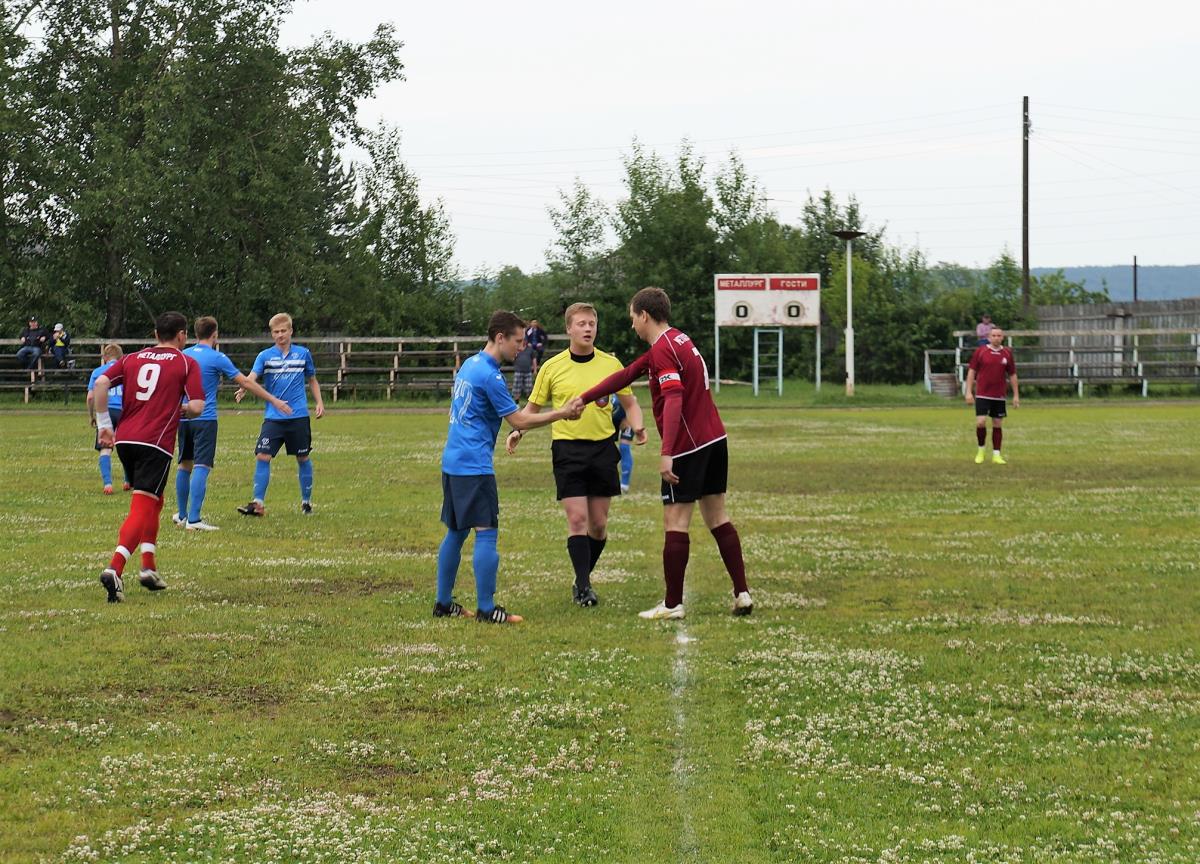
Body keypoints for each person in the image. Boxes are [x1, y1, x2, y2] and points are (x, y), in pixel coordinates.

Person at [578, 287, 752, 620]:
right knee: (718, 517)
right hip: (716, 439)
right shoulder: (678, 340)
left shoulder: (662, 350)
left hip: (689, 446)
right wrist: (584, 398)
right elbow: (627, 374)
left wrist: (667, 452)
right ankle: (742, 593)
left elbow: (674, 399)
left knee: (675, 521)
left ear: (644, 315)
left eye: (633, 318)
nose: (633, 326)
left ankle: (673, 604)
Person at [435, 310, 583, 624]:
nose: (522, 348)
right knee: (486, 533)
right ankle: (487, 610)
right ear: (500, 338)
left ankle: (443, 603)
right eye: (517, 341)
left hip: (453, 461)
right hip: (473, 466)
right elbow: (517, 420)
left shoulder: (470, 365)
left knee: (457, 532)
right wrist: (562, 413)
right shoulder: (489, 374)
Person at [505, 303, 647, 608]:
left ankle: (581, 577)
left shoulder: (611, 364)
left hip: (602, 449)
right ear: (569, 328)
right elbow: (532, 409)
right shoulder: (552, 367)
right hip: (568, 450)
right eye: (581, 323)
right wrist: (519, 431)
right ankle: (584, 587)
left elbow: (631, 403)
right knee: (578, 519)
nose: (587, 328)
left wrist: (638, 426)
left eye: (592, 323)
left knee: (598, 524)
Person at [93, 311, 205, 603]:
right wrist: (180, 410)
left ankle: (149, 567)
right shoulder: (186, 362)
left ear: (155, 335)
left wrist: (105, 426)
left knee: (155, 500)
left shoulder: (131, 358)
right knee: (142, 504)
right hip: (155, 443)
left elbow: (101, 385)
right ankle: (115, 568)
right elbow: (197, 406)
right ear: (182, 336)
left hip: (126, 440)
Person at [171, 316, 292, 531]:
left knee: (184, 464)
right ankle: (194, 519)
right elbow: (245, 382)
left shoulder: (183, 355)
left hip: (183, 416)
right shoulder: (217, 357)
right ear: (215, 334)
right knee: (201, 465)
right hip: (205, 418)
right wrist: (273, 400)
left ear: (195, 334)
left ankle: (181, 515)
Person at [234, 313, 324, 517]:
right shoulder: (265, 356)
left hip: (298, 416)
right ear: (271, 334)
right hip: (273, 417)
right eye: (276, 332)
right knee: (262, 455)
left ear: (291, 331)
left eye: (284, 331)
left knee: (302, 457)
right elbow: (252, 377)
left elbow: (312, 379)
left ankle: (306, 502)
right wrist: (244, 389)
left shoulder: (303, 354)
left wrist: (319, 402)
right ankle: (258, 503)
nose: (280, 335)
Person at [965, 325, 1019, 465]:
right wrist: (968, 391)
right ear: (989, 337)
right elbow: (971, 372)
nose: (996, 338)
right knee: (981, 422)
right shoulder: (981, 352)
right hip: (983, 393)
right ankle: (981, 451)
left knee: (997, 424)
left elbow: (1012, 375)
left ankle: (996, 454)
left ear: (1002, 337)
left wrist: (1015, 396)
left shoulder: (1007, 354)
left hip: (999, 395)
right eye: (993, 335)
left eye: (999, 335)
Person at [87, 343, 130, 494]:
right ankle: (127, 481)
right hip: (123, 411)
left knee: (105, 448)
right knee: (125, 447)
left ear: (105, 357)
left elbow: (91, 397)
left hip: (104, 411)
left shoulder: (98, 372)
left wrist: (92, 415)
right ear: (121, 358)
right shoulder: (126, 371)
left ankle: (108, 484)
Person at [610, 399, 636, 494]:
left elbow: (632, 400)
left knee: (624, 447)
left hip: (625, 416)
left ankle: (624, 485)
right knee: (607, 449)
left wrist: (628, 416)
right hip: (608, 419)